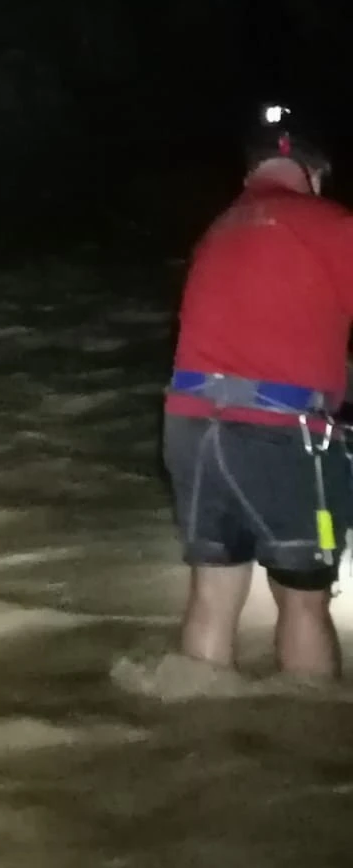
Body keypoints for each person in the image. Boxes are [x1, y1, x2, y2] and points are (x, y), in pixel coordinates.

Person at [163, 103, 353, 679]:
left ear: (251, 174)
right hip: (280, 438)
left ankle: (196, 734)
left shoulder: (217, 229)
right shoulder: (335, 226)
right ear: (315, 173)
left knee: (213, 594)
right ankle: (304, 739)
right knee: (302, 599)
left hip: (191, 430)